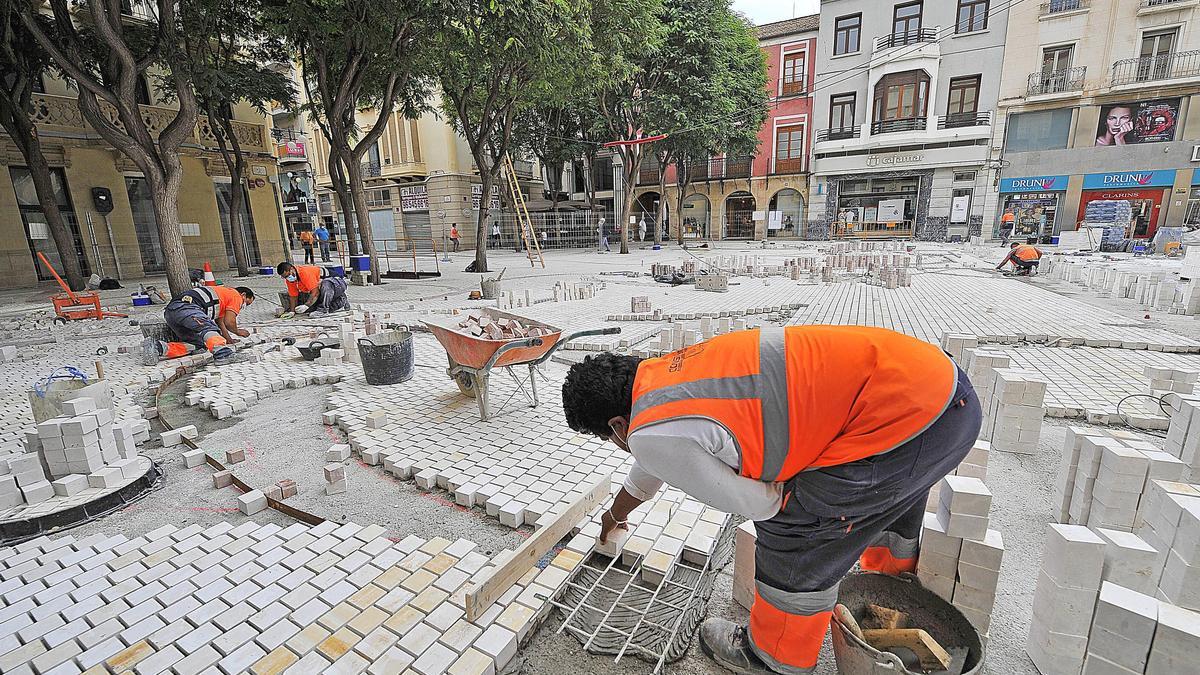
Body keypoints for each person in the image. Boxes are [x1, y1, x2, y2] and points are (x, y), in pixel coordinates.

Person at [561, 326, 981, 675]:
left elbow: (761, 503)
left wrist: (800, 501)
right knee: (884, 493)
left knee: (794, 524)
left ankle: (774, 655)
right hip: (940, 395)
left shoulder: (648, 432)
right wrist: (617, 513)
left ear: (617, 424)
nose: (621, 444)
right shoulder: (663, 375)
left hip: (911, 426)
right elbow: (658, 454)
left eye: (608, 438)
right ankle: (890, 581)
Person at [142, 286, 255, 365]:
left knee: (198, 345)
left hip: (171, 313)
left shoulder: (223, 297)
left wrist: (229, 340)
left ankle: (158, 347)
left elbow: (221, 323)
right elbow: (229, 322)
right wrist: (239, 331)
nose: (244, 306)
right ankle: (223, 355)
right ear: (243, 295)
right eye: (247, 303)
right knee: (207, 327)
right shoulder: (235, 295)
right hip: (187, 307)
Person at [276, 261, 349, 315]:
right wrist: (292, 311)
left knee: (325, 284)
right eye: (285, 277)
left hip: (338, 284)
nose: (288, 278)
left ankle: (323, 310)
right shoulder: (290, 280)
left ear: (292, 269)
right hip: (326, 291)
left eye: (288, 275)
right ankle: (341, 301)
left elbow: (315, 292)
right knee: (312, 308)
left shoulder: (304, 273)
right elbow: (293, 296)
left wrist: (306, 305)